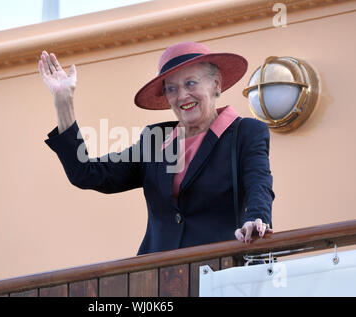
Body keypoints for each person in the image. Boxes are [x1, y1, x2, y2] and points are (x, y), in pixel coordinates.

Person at [39, 42, 275, 255]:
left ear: (216, 84)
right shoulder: (155, 140)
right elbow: (87, 173)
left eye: (190, 83)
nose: (182, 95)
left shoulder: (246, 132)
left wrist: (256, 218)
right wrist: (63, 102)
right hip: (156, 280)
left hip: (219, 273)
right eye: (171, 89)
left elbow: (260, 184)